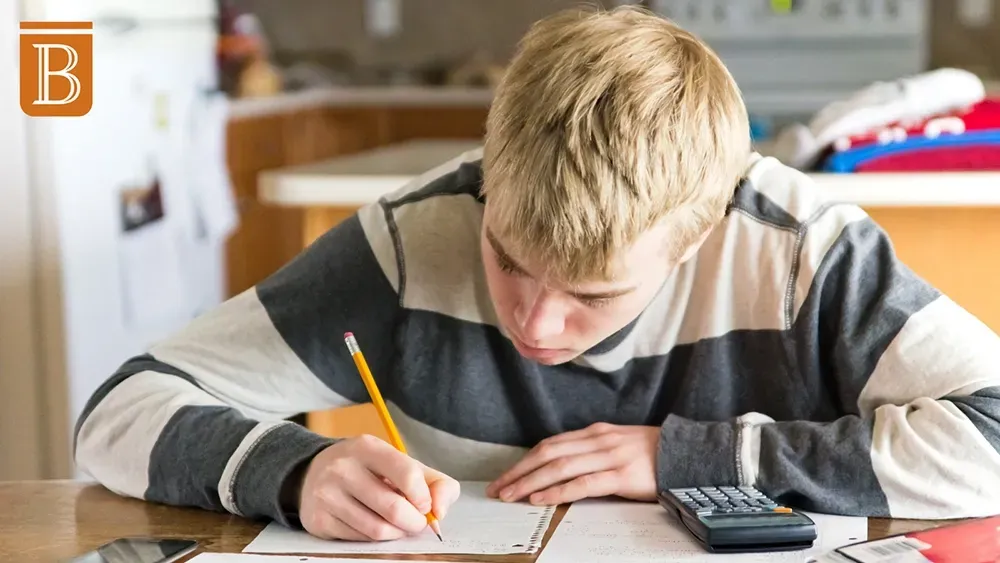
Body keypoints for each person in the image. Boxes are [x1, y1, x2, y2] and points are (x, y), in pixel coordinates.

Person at [75, 6, 1000, 542]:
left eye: (593, 292)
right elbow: (117, 411)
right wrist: (294, 466)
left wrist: (690, 460)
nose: (538, 325)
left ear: (699, 237)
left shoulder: (798, 249)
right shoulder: (415, 237)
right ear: (487, 177)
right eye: (508, 261)